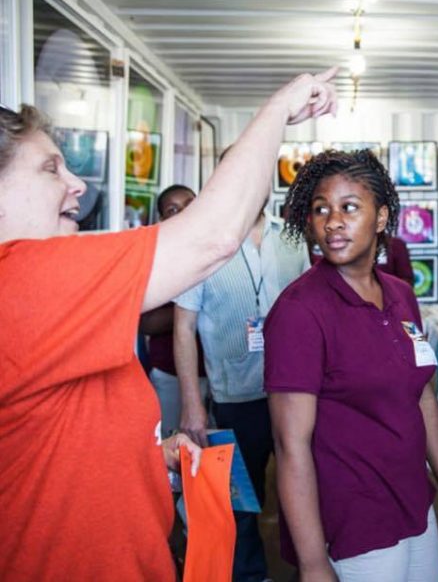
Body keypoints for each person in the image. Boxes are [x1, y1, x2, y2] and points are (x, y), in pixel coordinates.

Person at [0, 69, 337, 580]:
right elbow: (212, 238)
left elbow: (54, 443)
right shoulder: (21, 278)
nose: (77, 184)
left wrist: (149, 455)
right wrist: (280, 107)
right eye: (50, 168)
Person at [263, 150, 438, 582]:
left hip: (414, 501)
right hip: (354, 518)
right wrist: (312, 562)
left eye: (349, 207)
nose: (333, 222)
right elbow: (290, 445)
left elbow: (423, 396)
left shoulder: (401, 295)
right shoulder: (300, 311)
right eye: (321, 209)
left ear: (381, 218)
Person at [174, 195, 309, 582]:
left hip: (292, 392)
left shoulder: (292, 237)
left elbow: (310, 309)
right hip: (234, 396)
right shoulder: (204, 242)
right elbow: (183, 328)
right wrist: (192, 405)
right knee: (240, 499)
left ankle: (309, 567)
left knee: (302, 489)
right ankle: (251, 575)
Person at [140, 184, 207, 438]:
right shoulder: (155, 259)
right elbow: (146, 323)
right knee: (176, 444)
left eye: (189, 205)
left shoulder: (214, 250)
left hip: (217, 375)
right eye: (173, 210)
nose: (183, 213)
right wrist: (196, 309)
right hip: (171, 374)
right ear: (162, 219)